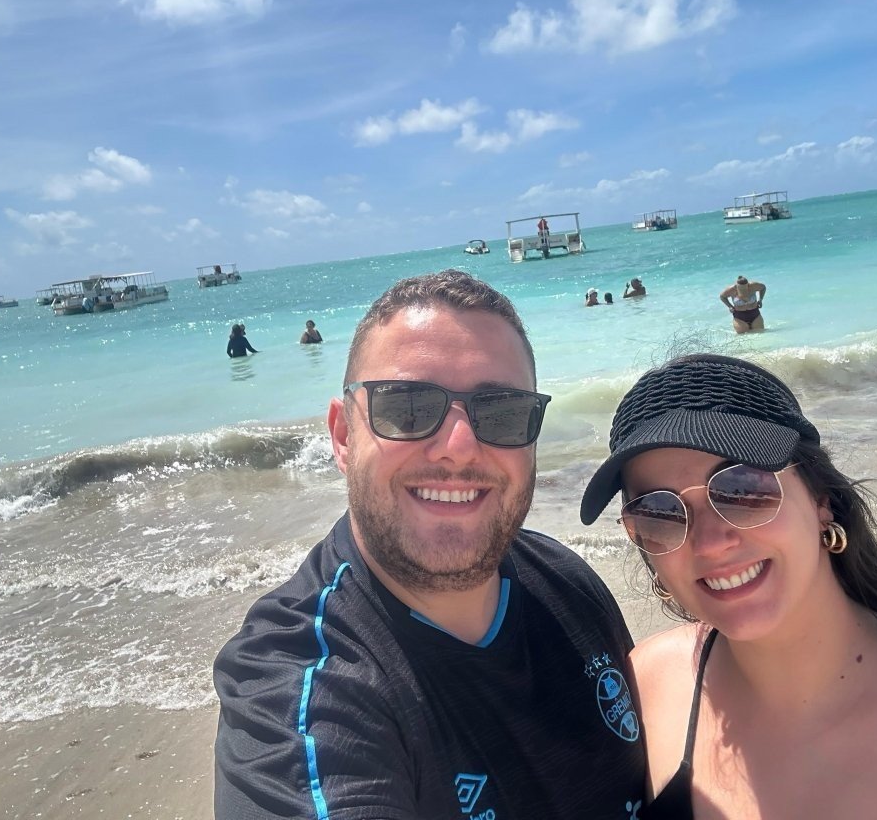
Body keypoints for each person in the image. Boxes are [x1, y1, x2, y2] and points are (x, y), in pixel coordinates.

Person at [214, 270, 645, 819]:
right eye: (408, 407)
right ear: (343, 436)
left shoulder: (566, 580)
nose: (459, 447)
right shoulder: (299, 690)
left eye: (503, 412)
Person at [581, 354, 877, 820]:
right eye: (659, 513)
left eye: (742, 488)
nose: (710, 544)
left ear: (820, 500)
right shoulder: (650, 684)